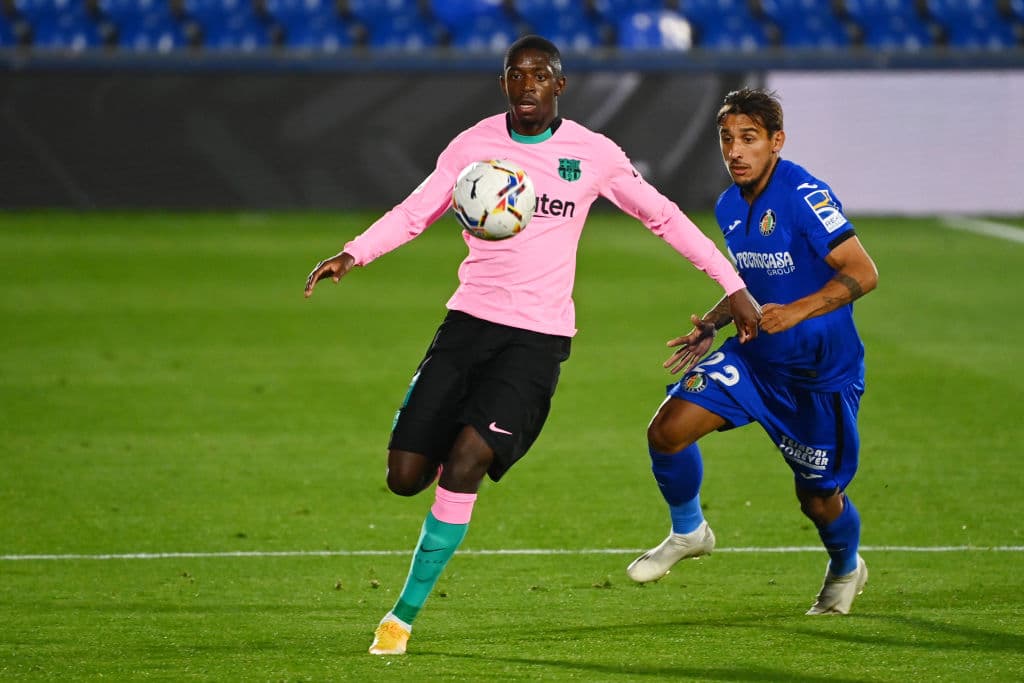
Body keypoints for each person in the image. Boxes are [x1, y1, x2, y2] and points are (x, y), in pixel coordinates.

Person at [304, 35, 761, 655]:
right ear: (504, 85)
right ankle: (423, 421)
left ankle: (401, 617)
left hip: (538, 340)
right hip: (467, 325)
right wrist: (354, 252)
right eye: (516, 75)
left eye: (539, 76)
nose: (527, 85)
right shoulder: (473, 146)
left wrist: (730, 284)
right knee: (404, 478)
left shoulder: (591, 154)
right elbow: (416, 211)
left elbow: (664, 216)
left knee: (467, 462)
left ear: (559, 86)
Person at [626, 88, 878, 615]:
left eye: (749, 139)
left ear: (776, 141)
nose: (735, 151)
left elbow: (862, 272)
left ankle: (846, 566)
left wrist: (798, 311)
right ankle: (690, 531)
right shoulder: (726, 204)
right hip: (756, 360)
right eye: (726, 139)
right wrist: (714, 322)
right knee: (666, 432)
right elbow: (752, 278)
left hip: (817, 377)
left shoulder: (804, 195)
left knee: (818, 499)